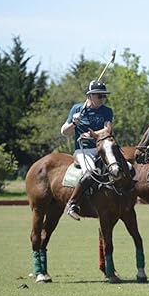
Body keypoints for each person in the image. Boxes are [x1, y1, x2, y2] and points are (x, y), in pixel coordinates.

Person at [61, 80, 114, 220]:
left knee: (123, 167)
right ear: (90, 96)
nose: (102, 99)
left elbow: (108, 129)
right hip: (83, 151)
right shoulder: (77, 109)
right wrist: (73, 123)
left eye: (104, 96)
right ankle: (72, 204)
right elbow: (64, 131)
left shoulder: (107, 111)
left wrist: (93, 134)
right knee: (90, 173)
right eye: (99, 96)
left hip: (102, 149)